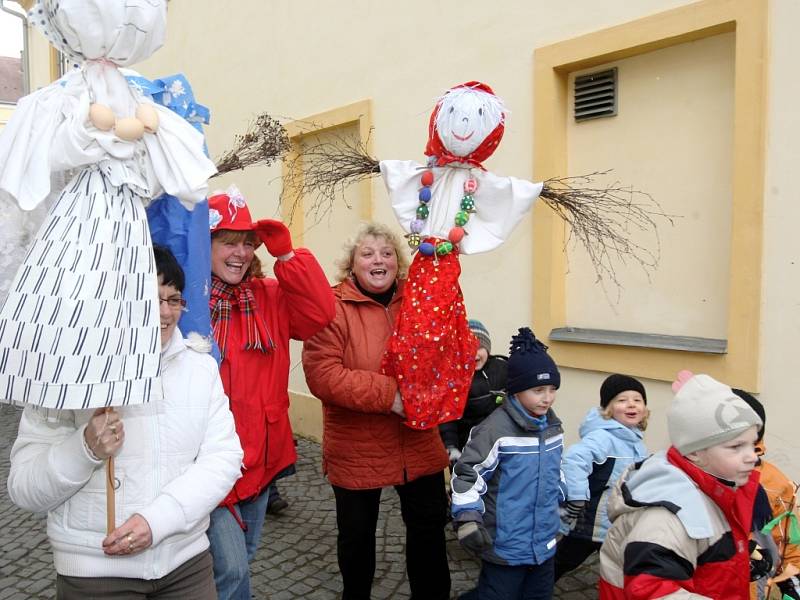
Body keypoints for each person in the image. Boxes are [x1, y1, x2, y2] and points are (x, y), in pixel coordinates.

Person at [7, 245, 243, 599]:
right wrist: (84, 449)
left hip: (187, 565)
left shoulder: (200, 368)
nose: (165, 313)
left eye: (173, 298)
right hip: (96, 575)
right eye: (150, 299)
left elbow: (223, 457)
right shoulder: (65, 375)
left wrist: (157, 521)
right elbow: (25, 488)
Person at [301, 222, 451, 600]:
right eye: (367, 253)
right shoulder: (331, 306)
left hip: (416, 439)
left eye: (386, 253)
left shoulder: (417, 300)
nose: (378, 260)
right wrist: (392, 396)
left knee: (429, 531)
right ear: (352, 264)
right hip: (357, 445)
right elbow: (323, 374)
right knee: (357, 539)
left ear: (397, 262)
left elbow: (441, 350)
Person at [205, 186, 335, 600]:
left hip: (261, 456)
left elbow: (320, 313)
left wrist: (288, 257)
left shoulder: (269, 296)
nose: (240, 252)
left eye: (247, 242)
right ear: (202, 245)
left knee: (245, 554)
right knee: (230, 569)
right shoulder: (186, 301)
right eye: (228, 242)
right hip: (209, 461)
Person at [599, 372, 764, 599]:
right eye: (736, 447)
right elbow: (652, 591)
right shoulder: (667, 518)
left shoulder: (722, 486)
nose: (752, 457)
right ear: (695, 452)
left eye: (752, 444)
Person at [451, 327, 564, 600]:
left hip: (543, 542)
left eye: (552, 389)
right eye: (538, 390)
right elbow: (468, 473)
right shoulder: (494, 431)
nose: (547, 398)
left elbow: (556, 472)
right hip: (505, 543)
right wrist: (467, 518)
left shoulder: (553, 428)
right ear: (516, 391)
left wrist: (561, 509)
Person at [554, 374, 649, 580]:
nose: (631, 405)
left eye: (637, 400)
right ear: (608, 409)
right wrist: (578, 496)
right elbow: (574, 459)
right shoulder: (603, 437)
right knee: (561, 562)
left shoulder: (635, 440)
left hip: (612, 522)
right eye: (622, 400)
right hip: (589, 522)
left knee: (618, 570)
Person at [732, 389, 800, 600]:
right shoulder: (698, 474)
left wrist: (792, 577)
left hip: (755, 586)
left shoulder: (775, 482)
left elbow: (788, 537)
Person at [439, 319, 508, 467]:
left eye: (479, 348)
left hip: (501, 444)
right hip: (468, 449)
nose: (474, 354)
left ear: (488, 348)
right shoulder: (454, 378)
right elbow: (447, 418)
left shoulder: (501, 368)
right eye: (467, 349)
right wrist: (451, 446)